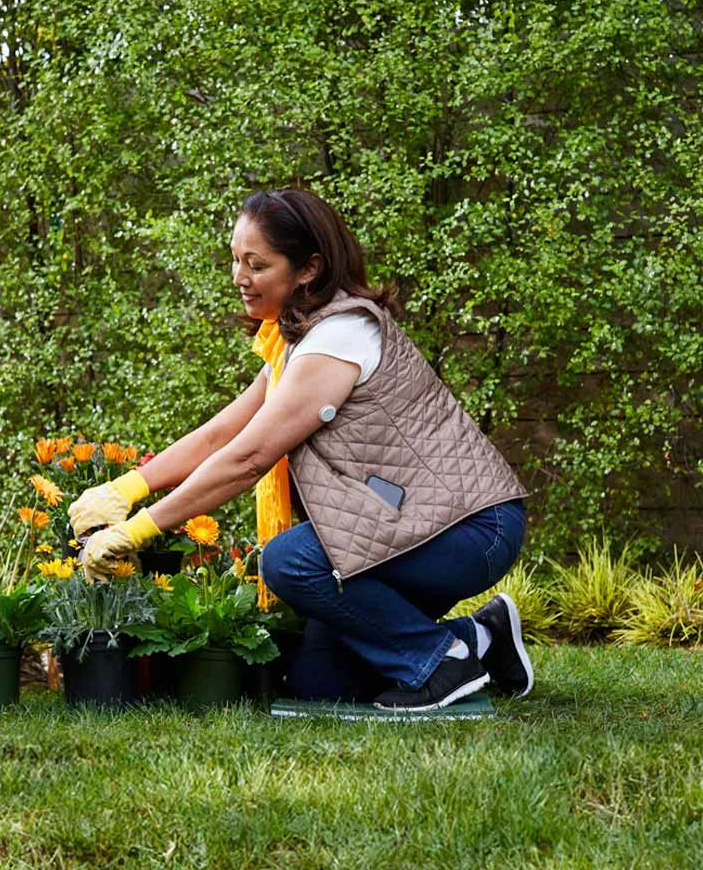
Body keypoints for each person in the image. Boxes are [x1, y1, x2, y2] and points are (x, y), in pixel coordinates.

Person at [68, 188, 533, 711]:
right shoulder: (300, 338)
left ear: (308, 269)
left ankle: (439, 661)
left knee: (289, 561)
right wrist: (127, 487)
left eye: (256, 264)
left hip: (468, 529)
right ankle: (482, 638)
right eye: (235, 260)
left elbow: (248, 458)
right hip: (417, 524)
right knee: (322, 682)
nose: (239, 278)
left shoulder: (341, 336)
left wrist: (141, 527)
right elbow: (224, 433)